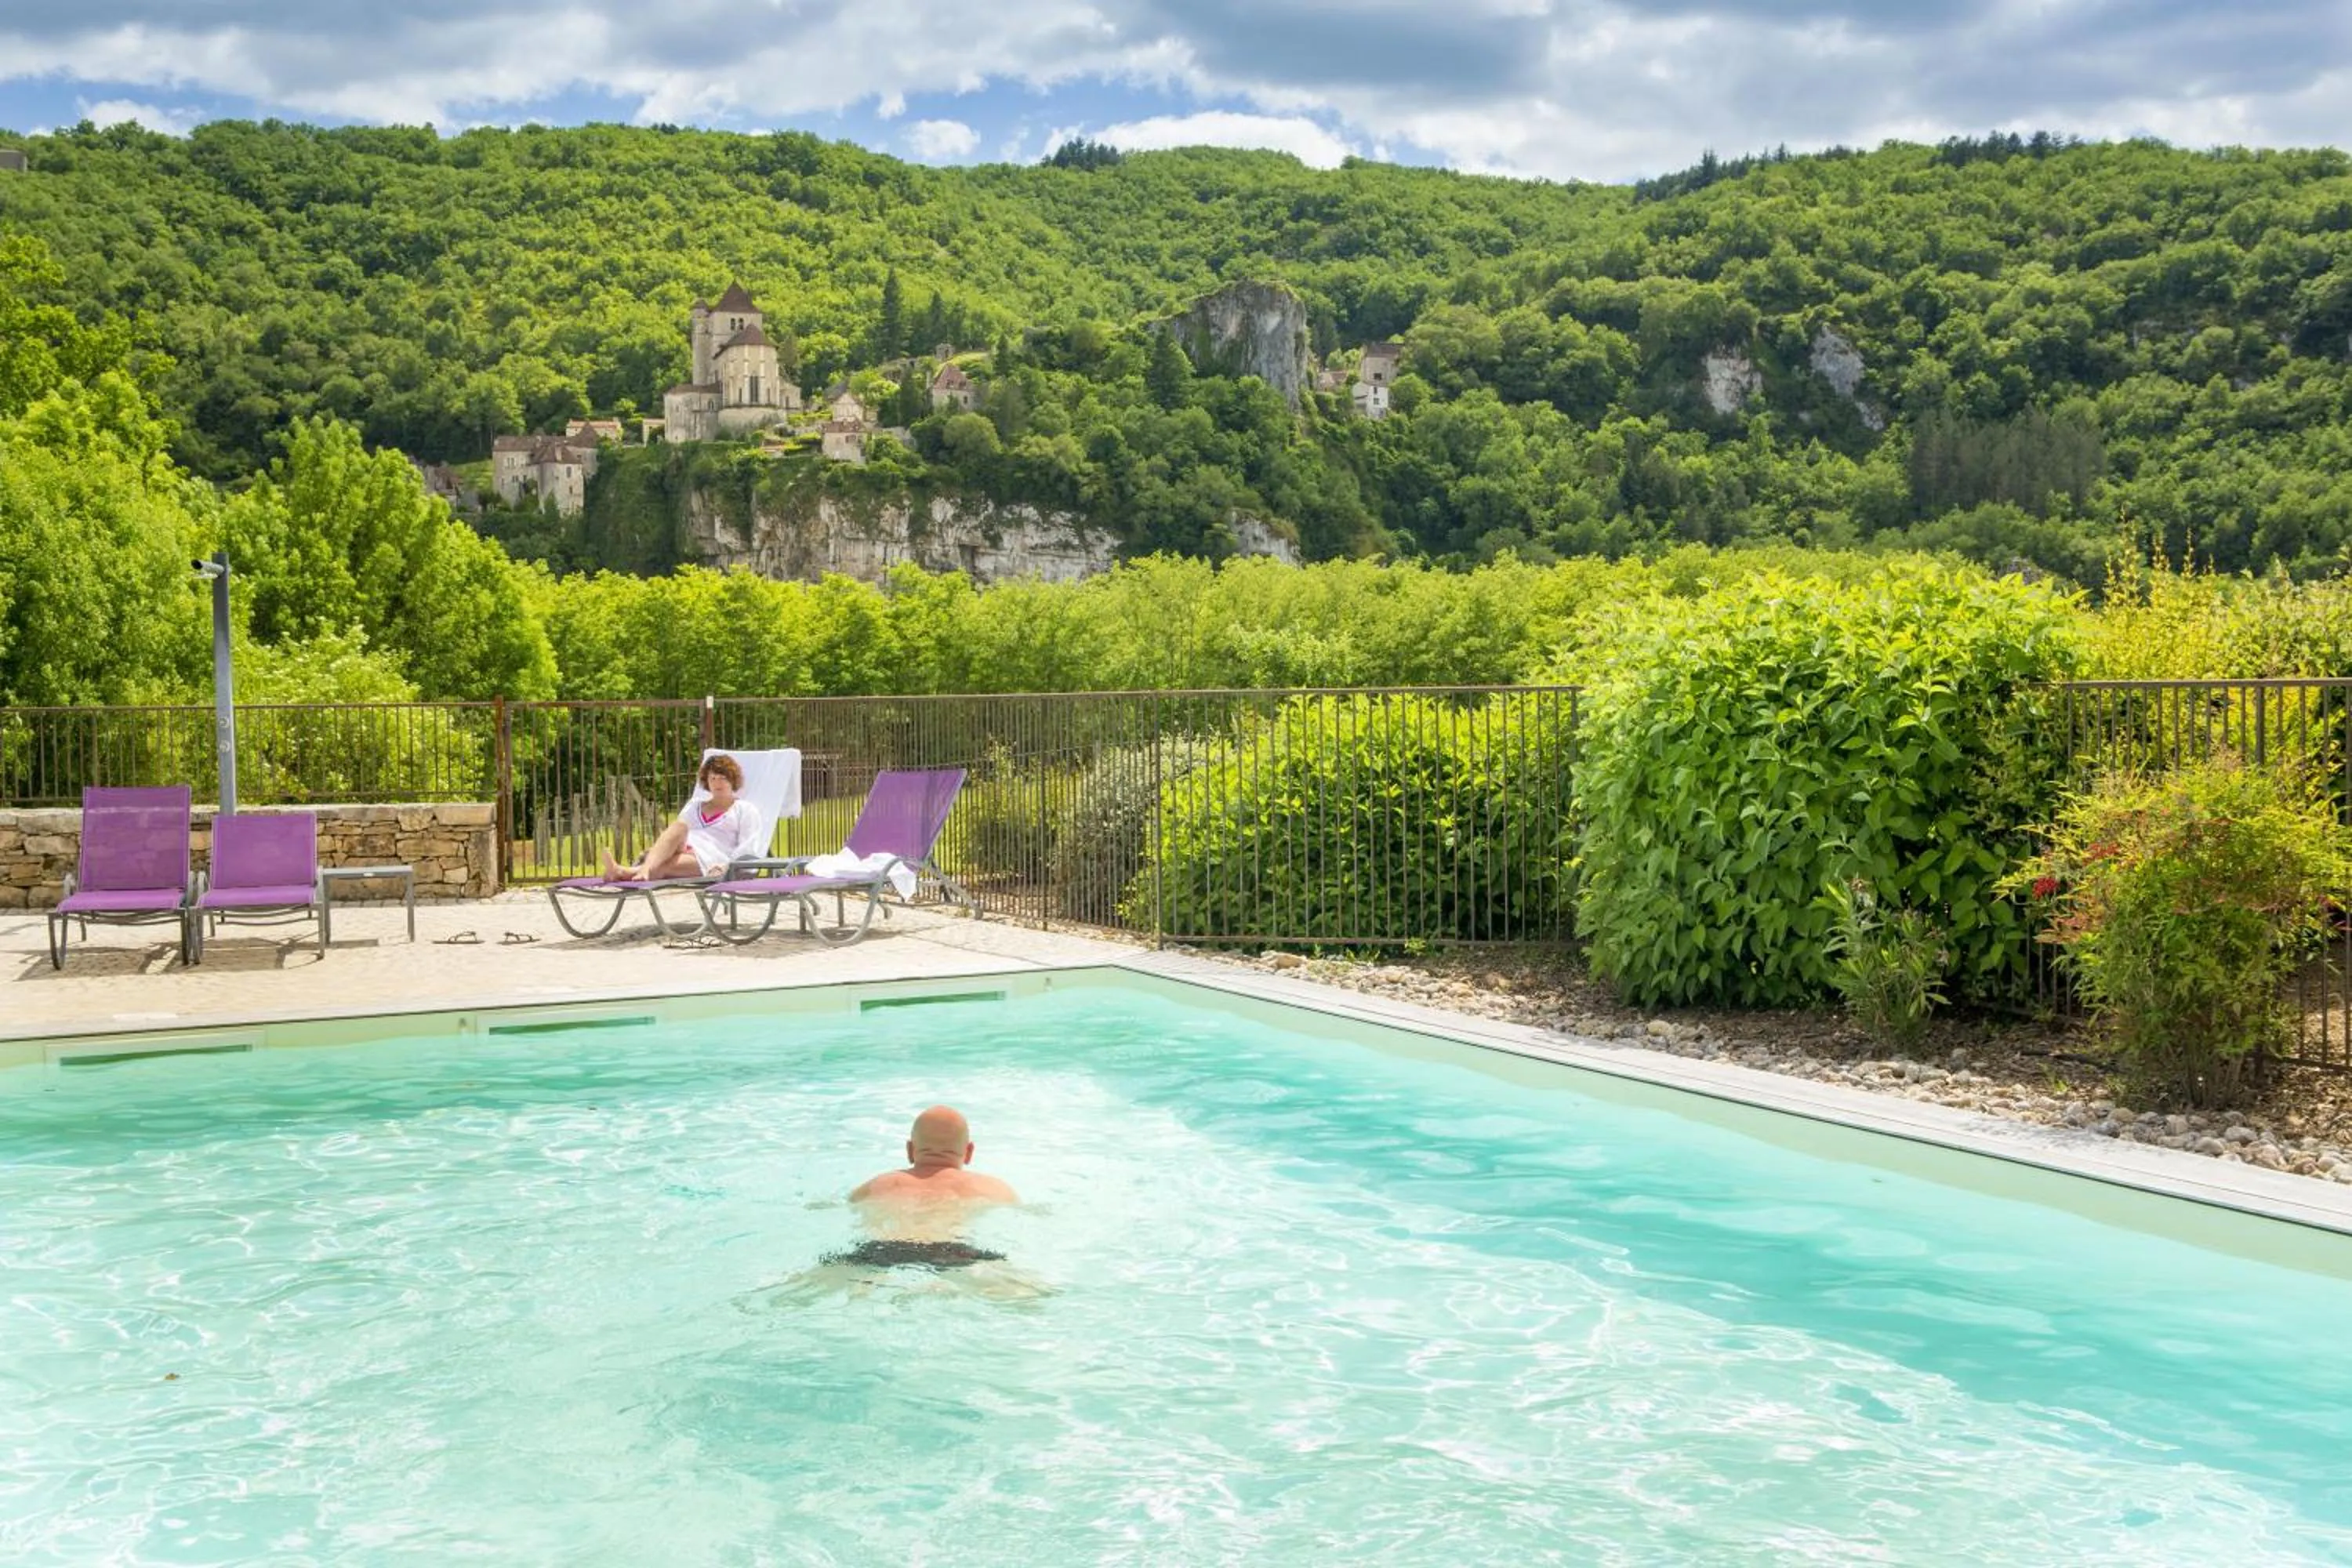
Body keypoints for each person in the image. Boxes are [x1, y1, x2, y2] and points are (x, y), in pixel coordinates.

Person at [830, 1105, 1019, 1271]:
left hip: (885, 1248)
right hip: (953, 1250)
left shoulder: (876, 1185)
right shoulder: (993, 1188)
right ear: (969, 1152)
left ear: (910, 1150)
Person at [601, 753, 764, 882]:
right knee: (679, 826)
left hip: (711, 859)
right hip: (684, 848)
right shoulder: (695, 805)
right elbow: (675, 835)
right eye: (713, 778)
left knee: (666, 865)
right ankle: (642, 868)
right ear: (707, 781)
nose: (717, 783)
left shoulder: (745, 810)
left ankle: (625, 871)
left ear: (733, 780)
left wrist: (726, 867)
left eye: (723, 778)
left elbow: (748, 847)